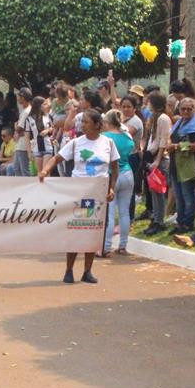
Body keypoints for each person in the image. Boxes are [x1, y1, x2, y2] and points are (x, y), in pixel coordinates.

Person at [37, 109, 118, 284]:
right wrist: (45, 171)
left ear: (97, 125)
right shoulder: (76, 143)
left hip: (98, 194)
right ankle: (69, 270)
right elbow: (56, 159)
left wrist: (111, 188)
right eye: (82, 122)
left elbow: (115, 168)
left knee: (93, 232)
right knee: (76, 230)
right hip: (79, 193)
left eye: (86, 122)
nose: (82, 125)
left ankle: (87, 271)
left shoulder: (108, 143)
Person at [166, 97, 195, 234]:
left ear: (193, 110)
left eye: (188, 109)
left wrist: (177, 146)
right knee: (178, 195)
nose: (185, 111)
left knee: (188, 195)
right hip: (175, 164)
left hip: (188, 166)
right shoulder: (178, 123)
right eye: (183, 109)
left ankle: (188, 223)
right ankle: (180, 222)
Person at [101, 109, 135, 256]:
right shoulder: (128, 137)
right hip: (127, 173)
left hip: (111, 176)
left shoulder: (104, 137)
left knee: (109, 213)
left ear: (107, 122)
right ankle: (122, 245)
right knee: (124, 212)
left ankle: (106, 246)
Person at [142, 93, 172, 235]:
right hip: (151, 155)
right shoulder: (154, 118)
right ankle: (155, 217)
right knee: (153, 190)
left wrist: (157, 160)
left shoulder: (163, 118)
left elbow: (163, 141)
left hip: (159, 158)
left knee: (159, 191)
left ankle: (160, 221)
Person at [25, 96, 54, 176]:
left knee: (46, 172)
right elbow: (26, 136)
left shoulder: (48, 116)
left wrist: (48, 130)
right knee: (39, 172)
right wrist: (29, 152)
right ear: (39, 106)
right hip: (36, 149)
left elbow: (54, 127)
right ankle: (40, 188)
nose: (46, 106)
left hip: (47, 146)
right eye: (44, 104)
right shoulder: (29, 119)